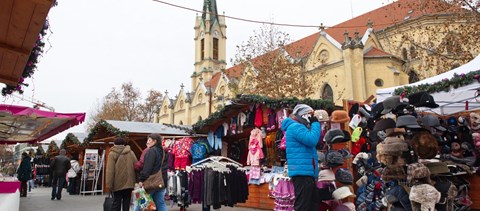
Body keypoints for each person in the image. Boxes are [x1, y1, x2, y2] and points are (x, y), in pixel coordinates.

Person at [281, 104, 321, 211]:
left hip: (306, 172)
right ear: (303, 115)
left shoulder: (300, 127)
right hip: (302, 173)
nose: (311, 117)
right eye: (310, 114)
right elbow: (312, 139)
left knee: (311, 205)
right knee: (303, 206)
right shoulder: (295, 127)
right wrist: (316, 123)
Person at [138, 133, 168, 211]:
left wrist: (141, 179)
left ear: (154, 141)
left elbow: (147, 167)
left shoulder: (151, 151)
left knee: (142, 203)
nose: (147, 142)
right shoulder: (163, 151)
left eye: (149, 140)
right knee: (160, 204)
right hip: (161, 181)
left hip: (151, 181)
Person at [106, 138, 138, 211]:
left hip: (117, 183)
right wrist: (136, 180)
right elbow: (136, 166)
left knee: (116, 203)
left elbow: (110, 171)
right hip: (130, 183)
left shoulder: (112, 153)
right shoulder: (131, 152)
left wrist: (109, 185)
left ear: (114, 144)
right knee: (127, 203)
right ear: (124, 144)